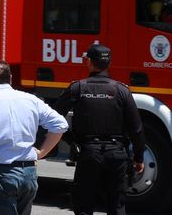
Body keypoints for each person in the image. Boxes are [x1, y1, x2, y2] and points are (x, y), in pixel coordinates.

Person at [54, 43, 145, 215]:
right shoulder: (122, 90)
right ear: (109, 63)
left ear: (88, 61)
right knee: (116, 207)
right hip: (117, 154)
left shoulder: (77, 88)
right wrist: (139, 157)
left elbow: (53, 118)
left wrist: (71, 140)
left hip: (88, 154)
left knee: (84, 206)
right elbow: (136, 128)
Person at [0, 61, 68, 215]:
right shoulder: (31, 99)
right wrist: (42, 152)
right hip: (28, 173)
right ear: (10, 78)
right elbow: (60, 124)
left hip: (1, 173)